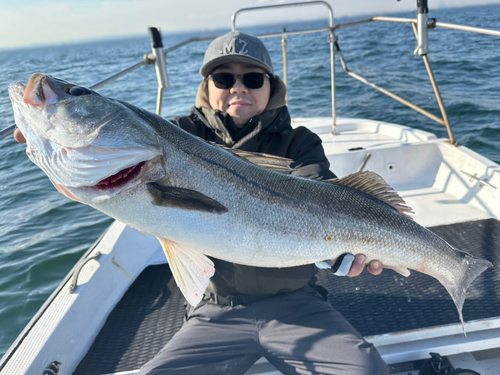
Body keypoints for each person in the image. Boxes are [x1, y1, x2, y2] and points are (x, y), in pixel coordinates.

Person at [14, 31, 389, 375]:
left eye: (253, 78)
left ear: (271, 87)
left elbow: (318, 189)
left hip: (297, 303)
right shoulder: (179, 134)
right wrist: (52, 148)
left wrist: (338, 251)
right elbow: (96, 174)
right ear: (206, 87)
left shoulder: (299, 143)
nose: (238, 88)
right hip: (215, 310)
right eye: (223, 78)